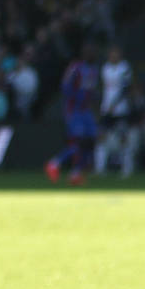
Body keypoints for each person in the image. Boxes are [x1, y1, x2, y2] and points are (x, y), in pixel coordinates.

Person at [46, 43, 100, 184]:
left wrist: (93, 104)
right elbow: (64, 86)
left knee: (91, 140)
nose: (92, 54)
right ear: (84, 54)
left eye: (93, 52)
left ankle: (76, 173)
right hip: (74, 110)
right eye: (89, 52)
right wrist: (75, 98)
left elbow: (92, 91)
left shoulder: (94, 70)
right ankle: (54, 164)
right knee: (78, 141)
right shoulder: (75, 67)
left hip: (86, 110)